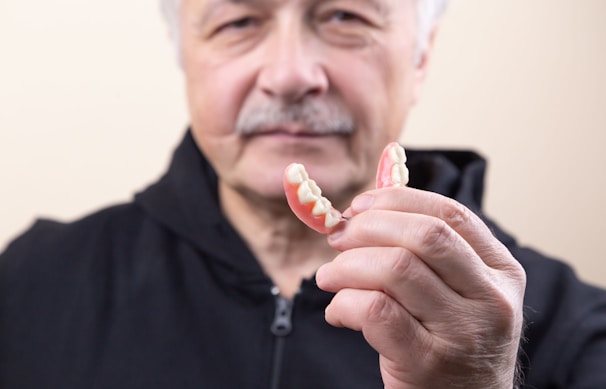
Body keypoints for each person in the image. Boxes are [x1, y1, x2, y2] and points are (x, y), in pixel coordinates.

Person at [1, 0, 605, 387]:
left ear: (421, 57)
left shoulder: (579, 334)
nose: (291, 74)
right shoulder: (27, 287)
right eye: (238, 21)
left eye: (346, 16)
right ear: (186, 53)